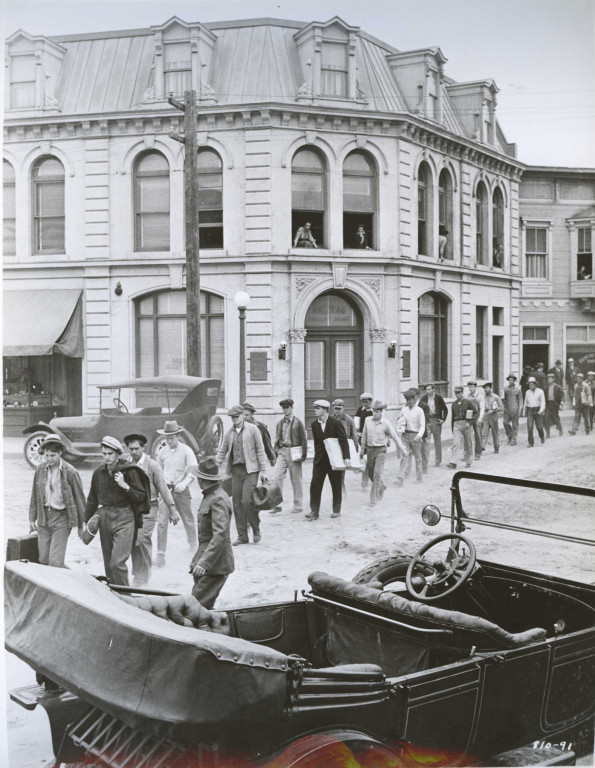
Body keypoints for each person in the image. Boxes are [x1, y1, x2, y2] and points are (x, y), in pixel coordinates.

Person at [84, 436, 149, 586]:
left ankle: (126, 594)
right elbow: (92, 499)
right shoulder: (98, 473)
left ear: (118, 454)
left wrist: (125, 485)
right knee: (108, 563)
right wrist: (85, 522)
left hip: (125, 517)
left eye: (110, 454)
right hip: (105, 517)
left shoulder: (129, 471)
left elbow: (141, 496)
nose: (107, 457)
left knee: (117, 562)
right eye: (104, 453)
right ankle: (114, 593)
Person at [124, 433, 178, 586]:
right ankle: (139, 573)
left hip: (149, 507)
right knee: (134, 540)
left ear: (143, 448)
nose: (134, 452)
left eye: (136, 448)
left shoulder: (152, 465)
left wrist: (172, 509)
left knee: (142, 539)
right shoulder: (127, 464)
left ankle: (143, 576)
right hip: (132, 509)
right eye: (131, 449)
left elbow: (163, 488)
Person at [29, 435, 86, 568]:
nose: (49, 459)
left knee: (55, 561)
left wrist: (81, 525)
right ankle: (67, 575)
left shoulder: (71, 472)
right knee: (43, 559)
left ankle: (60, 575)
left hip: (61, 519)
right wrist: (32, 518)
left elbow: (80, 499)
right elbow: (34, 495)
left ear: (60, 453)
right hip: (43, 518)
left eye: (53, 455)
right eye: (46, 455)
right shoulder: (40, 469)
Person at [216, 405, 268, 544]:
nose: (235, 419)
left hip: (251, 470)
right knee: (237, 504)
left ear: (242, 415)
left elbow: (260, 450)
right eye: (232, 418)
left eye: (237, 417)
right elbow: (222, 452)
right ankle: (242, 536)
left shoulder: (253, 429)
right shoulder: (229, 433)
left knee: (247, 501)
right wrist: (213, 466)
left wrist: (264, 471)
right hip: (236, 471)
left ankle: (255, 528)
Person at [190, 456, 235, 609]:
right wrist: (198, 560)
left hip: (216, 565)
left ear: (202, 479)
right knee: (201, 606)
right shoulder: (211, 496)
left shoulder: (217, 499)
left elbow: (220, 535)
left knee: (196, 608)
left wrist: (204, 563)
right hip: (210, 563)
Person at [156, 420, 198, 565]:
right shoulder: (162, 452)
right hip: (166, 489)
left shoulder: (187, 450)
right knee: (162, 521)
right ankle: (160, 554)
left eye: (172, 438)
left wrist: (185, 483)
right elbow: (159, 472)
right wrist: (160, 489)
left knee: (188, 519)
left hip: (182, 489)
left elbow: (193, 468)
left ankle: (193, 545)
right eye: (167, 438)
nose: (169, 441)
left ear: (178, 436)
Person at [307, 399, 350, 520]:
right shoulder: (314, 424)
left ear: (325, 410)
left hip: (334, 460)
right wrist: (316, 457)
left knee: (336, 484)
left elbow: (343, 441)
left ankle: (336, 510)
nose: (315, 410)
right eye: (315, 408)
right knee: (315, 485)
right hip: (320, 461)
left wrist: (346, 457)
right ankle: (314, 511)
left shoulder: (336, 423)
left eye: (318, 408)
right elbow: (317, 443)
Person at [360, 400, 407, 508]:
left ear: (381, 412)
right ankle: (381, 487)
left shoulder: (386, 423)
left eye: (377, 411)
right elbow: (364, 436)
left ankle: (373, 498)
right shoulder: (367, 420)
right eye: (373, 411)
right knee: (371, 474)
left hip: (381, 450)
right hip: (370, 450)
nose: (375, 413)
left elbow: (395, 437)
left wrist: (403, 449)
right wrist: (362, 450)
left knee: (377, 474)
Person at [270, 398, 307, 514]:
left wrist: (303, 455)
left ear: (292, 408)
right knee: (276, 477)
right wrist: (276, 452)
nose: (285, 410)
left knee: (296, 480)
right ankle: (277, 505)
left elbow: (304, 439)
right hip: (282, 451)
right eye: (283, 408)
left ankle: (298, 505)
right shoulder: (279, 423)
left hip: (294, 452)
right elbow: (277, 438)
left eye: (287, 407)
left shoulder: (298, 422)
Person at [398, 390, 425, 483]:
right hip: (405, 435)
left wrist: (419, 435)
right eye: (407, 399)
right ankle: (402, 477)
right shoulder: (403, 410)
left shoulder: (419, 411)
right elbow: (399, 421)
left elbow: (422, 426)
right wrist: (400, 427)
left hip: (415, 435)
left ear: (414, 399)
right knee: (405, 456)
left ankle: (419, 478)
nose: (408, 401)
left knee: (418, 457)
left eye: (410, 399)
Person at [420, 383, 448, 467]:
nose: (427, 391)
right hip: (427, 421)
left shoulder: (438, 398)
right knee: (426, 441)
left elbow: (445, 409)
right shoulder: (424, 399)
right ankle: (425, 461)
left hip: (436, 420)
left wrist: (443, 419)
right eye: (426, 389)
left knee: (437, 441)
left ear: (433, 389)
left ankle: (437, 461)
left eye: (429, 389)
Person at [447, 387, 476, 469]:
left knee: (468, 443)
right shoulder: (454, 404)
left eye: (459, 393)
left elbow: (475, 413)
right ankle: (453, 462)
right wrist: (453, 429)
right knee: (456, 443)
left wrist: (469, 422)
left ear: (462, 393)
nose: (457, 395)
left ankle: (468, 461)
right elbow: (453, 418)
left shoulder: (468, 402)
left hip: (466, 424)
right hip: (457, 424)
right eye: (456, 393)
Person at [242, 402, 276, 466]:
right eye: (242, 415)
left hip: (256, 459)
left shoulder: (260, 427)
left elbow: (267, 443)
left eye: (247, 415)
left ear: (252, 414)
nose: (244, 417)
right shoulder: (239, 426)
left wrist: (271, 457)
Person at [354, 393, 374, 489]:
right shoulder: (360, 410)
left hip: (373, 438)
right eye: (363, 402)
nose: (365, 404)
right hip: (362, 438)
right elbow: (356, 423)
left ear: (370, 401)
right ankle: (364, 482)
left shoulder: (374, 410)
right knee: (365, 460)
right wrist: (357, 433)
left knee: (372, 461)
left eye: (366, 402)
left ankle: (374, 480)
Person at [523, 377, 546, 447]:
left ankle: (542, 436)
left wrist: (541, 410)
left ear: (535, 384)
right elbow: (525, 402)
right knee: (529, 427)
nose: (531, 386)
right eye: (530, 385)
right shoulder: (527, 392)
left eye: (532, 385)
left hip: (538, 410)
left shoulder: (540, 391)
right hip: (530, 410)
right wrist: (524, 411)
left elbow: (543, 402)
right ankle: (531, 443)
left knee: (539, 427)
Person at [481, 382, 503, 454]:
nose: (485, 390)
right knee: (484, 432)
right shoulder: (483, 397)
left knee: (495, 433)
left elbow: (501, 407)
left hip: (493, 416)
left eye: (487, 388)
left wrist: (494, 410)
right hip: (485, 415)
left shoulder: (495, 397)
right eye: (484, 388)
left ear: (490, 388)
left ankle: (496, 447)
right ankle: (482, 446)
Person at [502, 374, 523, 446]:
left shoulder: (518, 389)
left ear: (514, 381)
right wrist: (503, 406)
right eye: (509, 380)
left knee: (515, 425)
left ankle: (514, 439)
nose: (510, 381)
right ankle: (510, 435)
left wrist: (520, 409)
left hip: (515, 409)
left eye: (512, 380)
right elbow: (503, 399)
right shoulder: (505, 389)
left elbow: (520, 400)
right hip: (507, 409)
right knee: (505, 423)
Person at [466, 381, 485, 460]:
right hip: (470, 417)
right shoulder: (468, 396)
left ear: (475, 387)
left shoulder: (479, 396)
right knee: (468, 435)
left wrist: (480, 418)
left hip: (477, 417)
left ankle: (478, 453)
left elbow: (482, 408)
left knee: (478, 435)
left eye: (472, 387)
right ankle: (467, 453)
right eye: (469, 387)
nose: (470, 389)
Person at [543, 374, 564, 438]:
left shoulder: (557, 387)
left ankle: (560, 429)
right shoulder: (546, 388)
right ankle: (547, 433)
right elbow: (543, 397)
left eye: (550, 378)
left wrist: (561, 403)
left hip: (555, 404)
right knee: (546, 418)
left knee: (556, 418)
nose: (549, 380)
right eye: (548, 378)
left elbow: (562, 395)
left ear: (553, 379)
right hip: (548, 404)